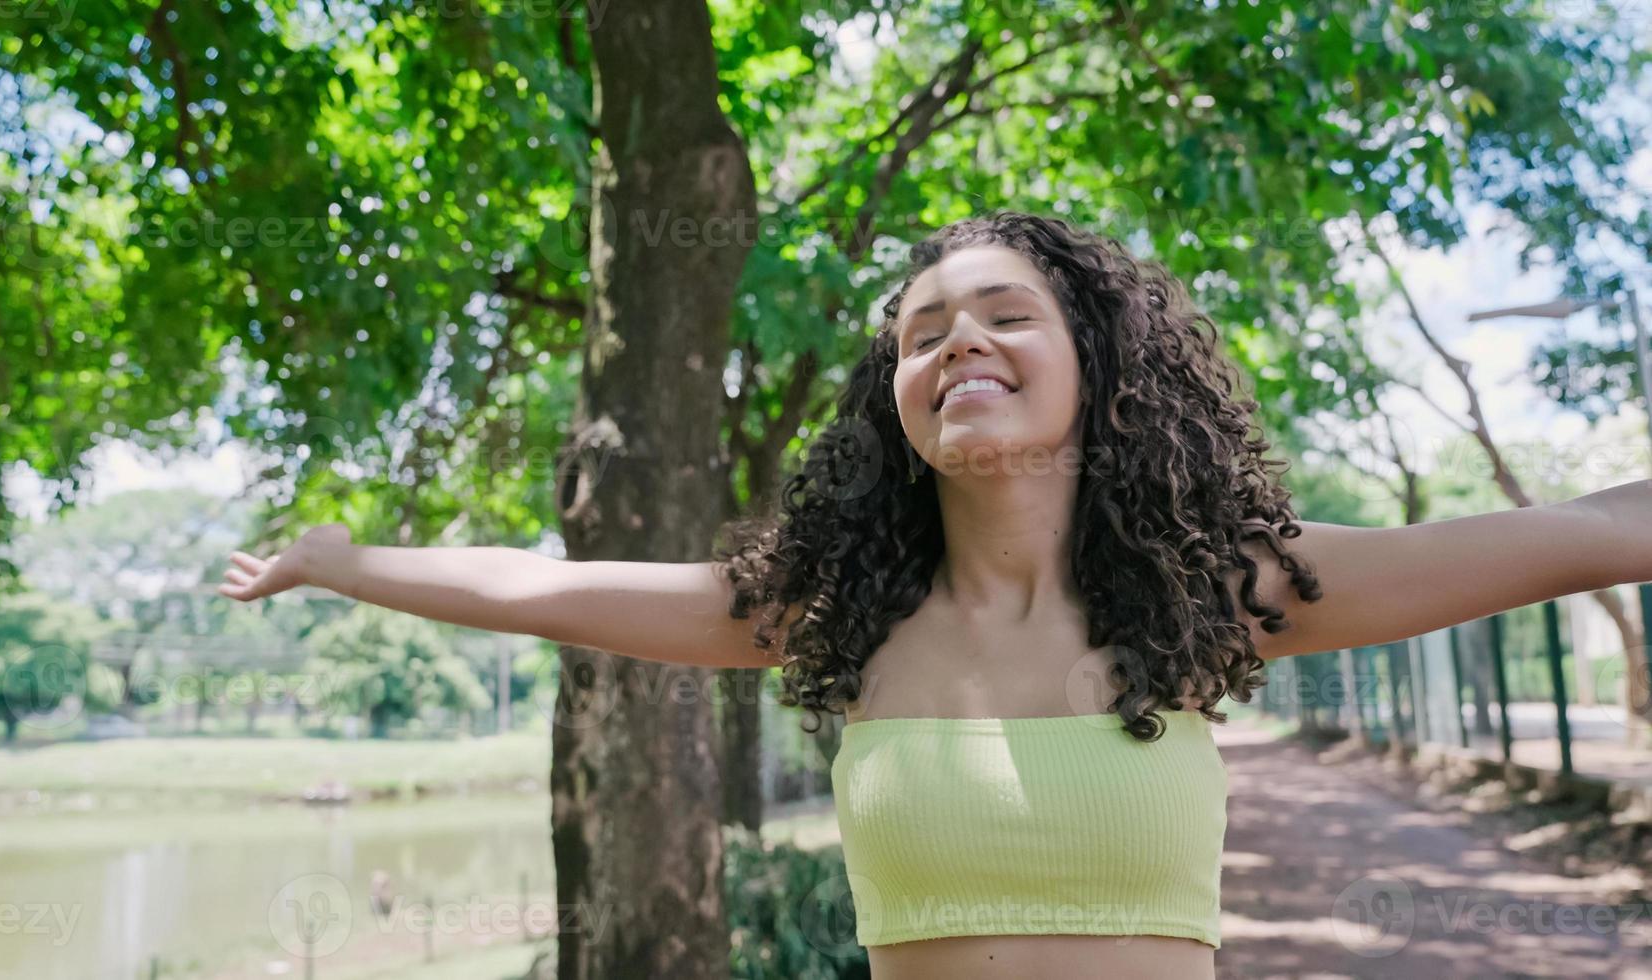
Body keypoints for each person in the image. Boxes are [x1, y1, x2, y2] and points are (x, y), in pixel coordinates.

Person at [219, 210, 1652, 979]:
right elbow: (546, 582)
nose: (955, 340)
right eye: (920, 333)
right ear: (894, 398)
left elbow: (1582, 531)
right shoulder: (831, 611)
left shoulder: (1231, 586)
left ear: (1097, 361)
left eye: (1001, 313)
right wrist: (348, 565)